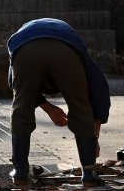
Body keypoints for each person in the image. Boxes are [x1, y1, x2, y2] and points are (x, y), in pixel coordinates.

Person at [7, 18, 110, 187]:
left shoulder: (23, 35)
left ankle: (20, 172)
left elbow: (15, 85)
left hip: (25, 48)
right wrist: (93, 135)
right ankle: (89, 173)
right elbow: (100, 90)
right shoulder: (77, 48)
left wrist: (47, 107)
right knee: (80, 106)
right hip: (66, 50)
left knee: (21, 108)